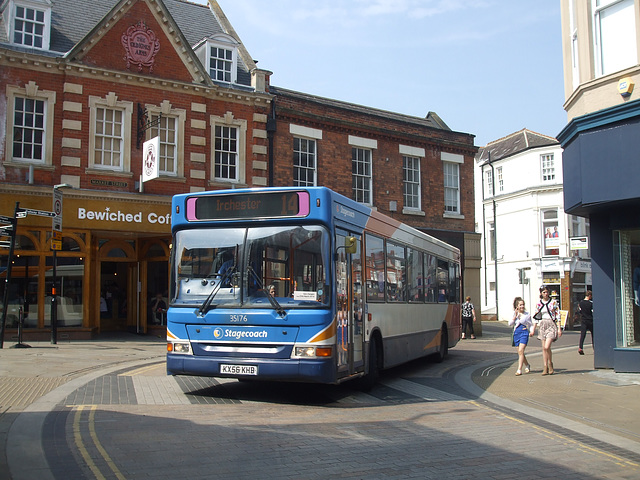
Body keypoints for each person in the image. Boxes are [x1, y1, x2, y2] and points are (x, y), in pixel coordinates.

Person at [532, 286, 562, 375]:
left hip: (551, 324)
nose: (546, 294)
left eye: (547, 292)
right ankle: (545, 366)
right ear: (541, 293)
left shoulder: (553, 302)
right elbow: (536, 316)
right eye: (544, 292)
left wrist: (559, 328)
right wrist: (533, 328)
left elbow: (558, 315)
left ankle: (550, 363)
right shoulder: (539, 304)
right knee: (543, 348)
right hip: (542, 324)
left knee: (547, 346)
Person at [508, 297, 534, 376]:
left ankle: (519, 369)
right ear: (517, 306)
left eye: (523, 304)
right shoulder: (514, 313)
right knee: (520, 352)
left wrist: (531, 331)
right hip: (516, 333)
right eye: (520, 305)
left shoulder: (527, 314)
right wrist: (515, 317)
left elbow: (530, 324)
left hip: (524, 333)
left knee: (521, 350)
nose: (522, 306)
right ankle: (527, 365)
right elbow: (510, 324)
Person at [578, 290, 593, 355]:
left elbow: (579, 311)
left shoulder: (581, 303)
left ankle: (580, 347)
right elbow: (593, 311)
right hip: (590, 320)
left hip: (583, 320)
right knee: (593, 335)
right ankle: (594, 348)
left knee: (583, 335)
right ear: (589, 296)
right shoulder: (591, 303)